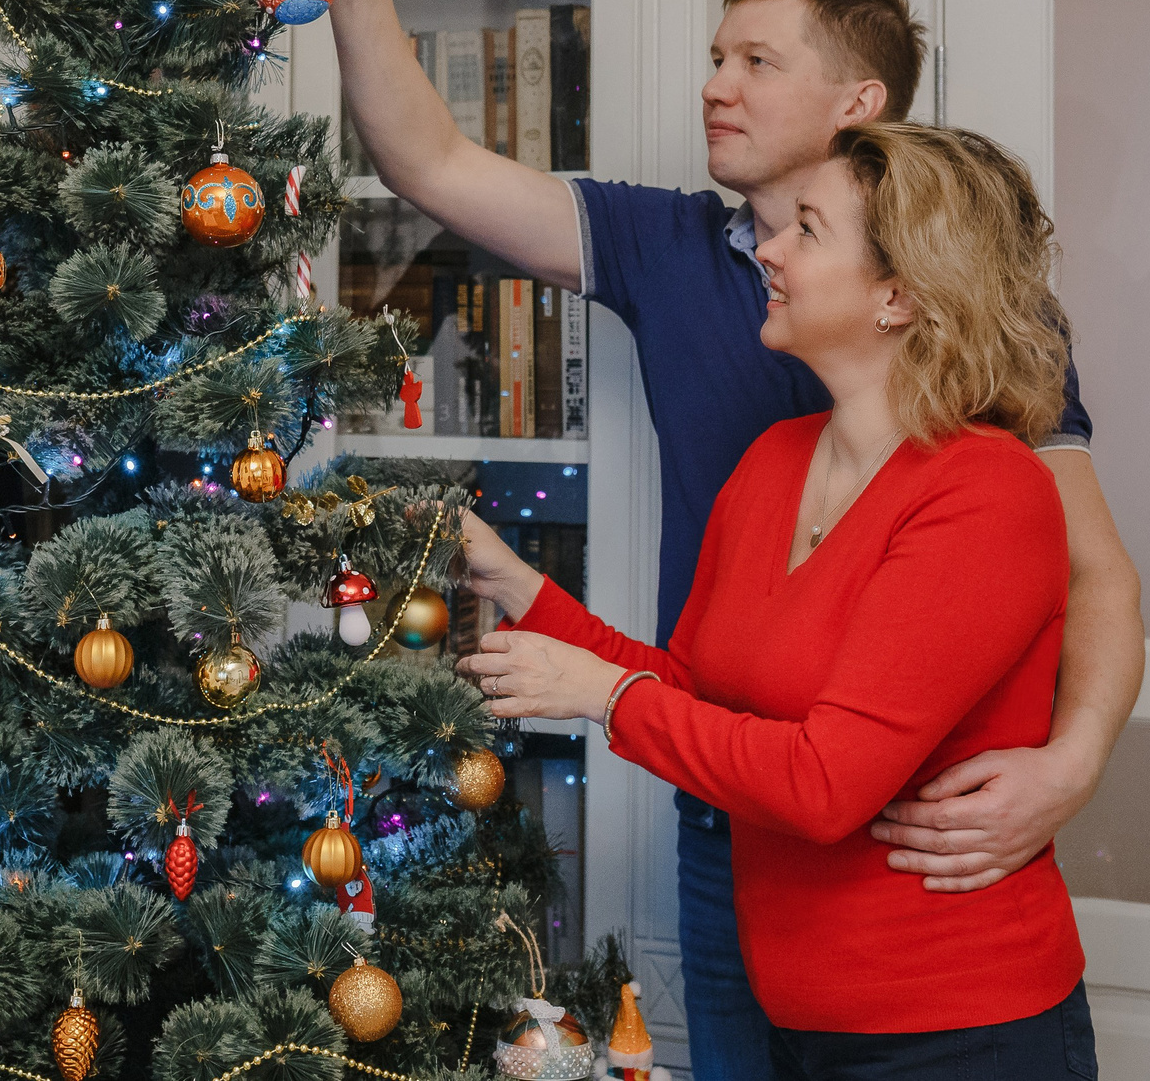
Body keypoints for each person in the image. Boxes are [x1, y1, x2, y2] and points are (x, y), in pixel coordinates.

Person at [244, 0, 1142, 1079]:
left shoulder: (986, 396)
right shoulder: (692, 293)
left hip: (909, 919)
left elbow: (1088, 578)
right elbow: (430, 162)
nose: (715, 84)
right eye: (716, 56)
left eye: (757, 61)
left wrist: (1068, 768)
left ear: (859, 105)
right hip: (731, 829)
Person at [458, 124, 1097, 1074]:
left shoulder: (987, 491)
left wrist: (601, 694)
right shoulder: (774, 461)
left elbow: (824, 783)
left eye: (807, 229)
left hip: (956, 1030)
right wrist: (518, 583)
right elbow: (693, 687)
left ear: (898, 294)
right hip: (796, 1016)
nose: (768, 250)